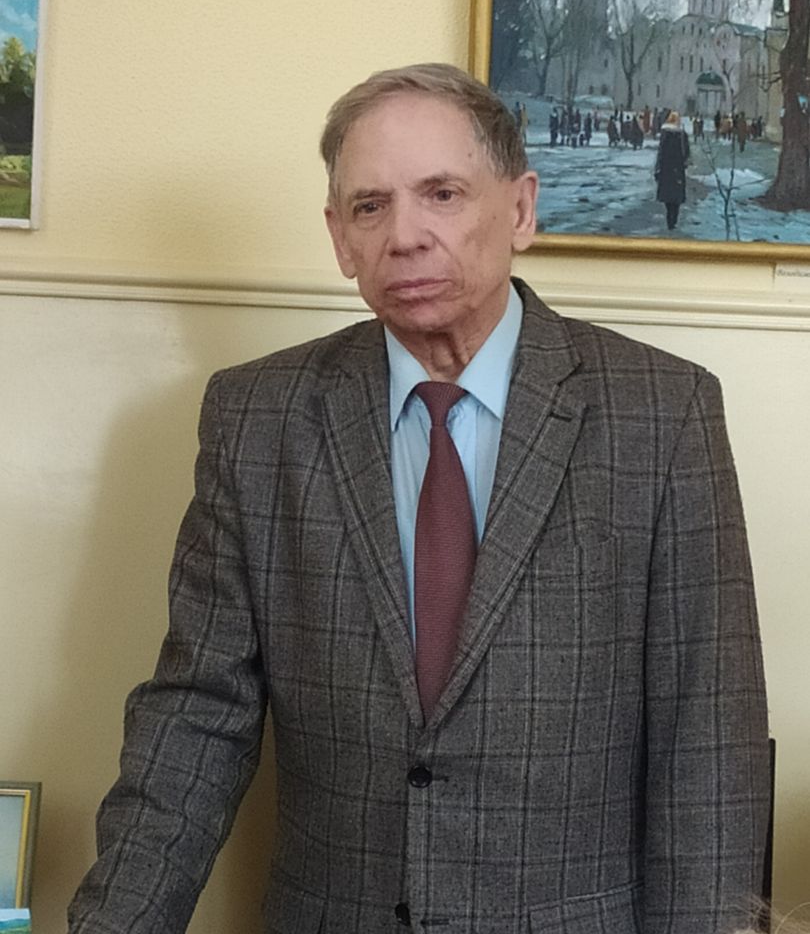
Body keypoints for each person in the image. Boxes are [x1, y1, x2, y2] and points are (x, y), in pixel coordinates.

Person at [68, 63, 770, 934]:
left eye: (442, 194)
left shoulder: (663, 413)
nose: (404, 236)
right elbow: (195, 718)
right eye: (370, 206)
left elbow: (708, 746)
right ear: (340, 239)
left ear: (520, 209)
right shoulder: (257, 418)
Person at [655, 109, 690, 230]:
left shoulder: (665, 134)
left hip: (666, 169)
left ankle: (669, 219)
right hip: (678, 169)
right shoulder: (682, 135)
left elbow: (660, 153)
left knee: (667, 197)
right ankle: (673, 219)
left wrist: (658, 168)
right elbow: (686, 153)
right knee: (676, 198)